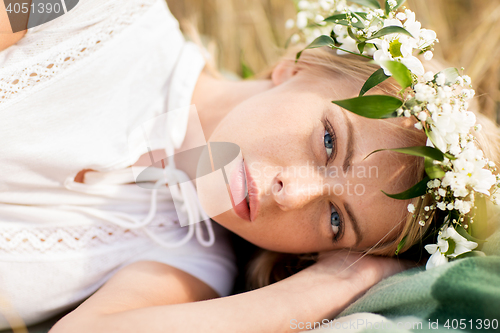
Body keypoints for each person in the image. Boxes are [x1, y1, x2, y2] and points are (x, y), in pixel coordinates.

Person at [0, 1, 498, 332]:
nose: (291, 193)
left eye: (335, 219)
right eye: (328, 142)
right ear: (299, 67)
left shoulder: (190, 264)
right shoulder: (105, 12)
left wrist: (333, 286)